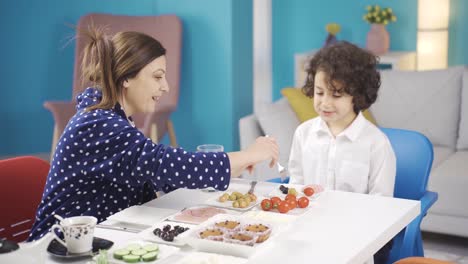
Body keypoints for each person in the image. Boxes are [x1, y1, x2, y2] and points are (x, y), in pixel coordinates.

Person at [28, 28, 278, 241]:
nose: (165, 86)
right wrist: (247, 154)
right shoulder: (97, 124)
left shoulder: (115, 120)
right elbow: (163, 163)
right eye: (157, 76)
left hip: (102, 237)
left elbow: (154, 173)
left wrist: (235, 165)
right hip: (59, 248)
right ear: (126, 77)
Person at [287, 41, 396, 264]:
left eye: (336, 95)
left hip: (355, 237)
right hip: (308, 233)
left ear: (357, 96)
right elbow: (295, 185)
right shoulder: (303, 134)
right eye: (319, 92)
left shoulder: (376, 144)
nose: (325, 103)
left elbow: (380, 205)